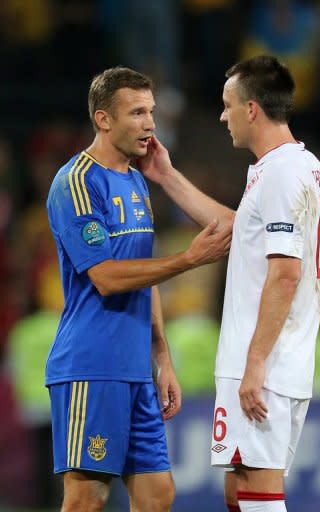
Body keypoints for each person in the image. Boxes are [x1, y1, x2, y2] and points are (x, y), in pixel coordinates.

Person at [139, 55, 320, 512]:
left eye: (228, 105)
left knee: (260, 492)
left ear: (252, 109)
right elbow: (238, 231)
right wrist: (166, 175)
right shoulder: (300, 169)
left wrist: (256, 362)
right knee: (241, 488)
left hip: (266, 358)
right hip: (274, 356)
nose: (222, 116)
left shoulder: (282, 174)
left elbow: (285, 275)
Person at [45, 66, 232, 512]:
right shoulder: (77, 183)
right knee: (87, 498)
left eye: (151, 111)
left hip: (136, 369)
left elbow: (143, 275)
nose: (150, 123)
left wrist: (162, 356)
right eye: (137, 112)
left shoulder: (136, 181)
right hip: (92, 365)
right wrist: (188, 260)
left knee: (157, 494)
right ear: (103, 119)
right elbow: (107, 277)